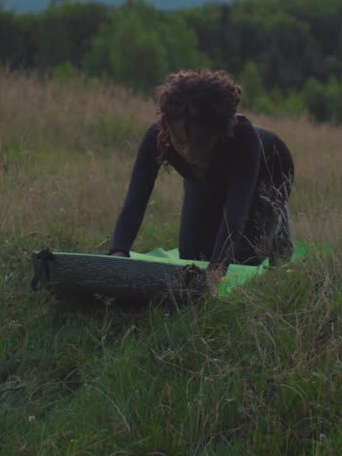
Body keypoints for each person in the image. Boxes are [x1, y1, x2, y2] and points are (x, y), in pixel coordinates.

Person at [107, 69, 295, 290]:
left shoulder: (243, 137)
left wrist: (216, 273)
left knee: (245, 256)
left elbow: (236, 212)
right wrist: (118, 254)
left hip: (270, 167)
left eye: (200, 141)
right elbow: (135, 200)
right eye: (180, 141)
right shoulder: (158, 138)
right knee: (193, 255)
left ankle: (279, 226)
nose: (189, 151)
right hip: (208, 176)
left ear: (219, 130)